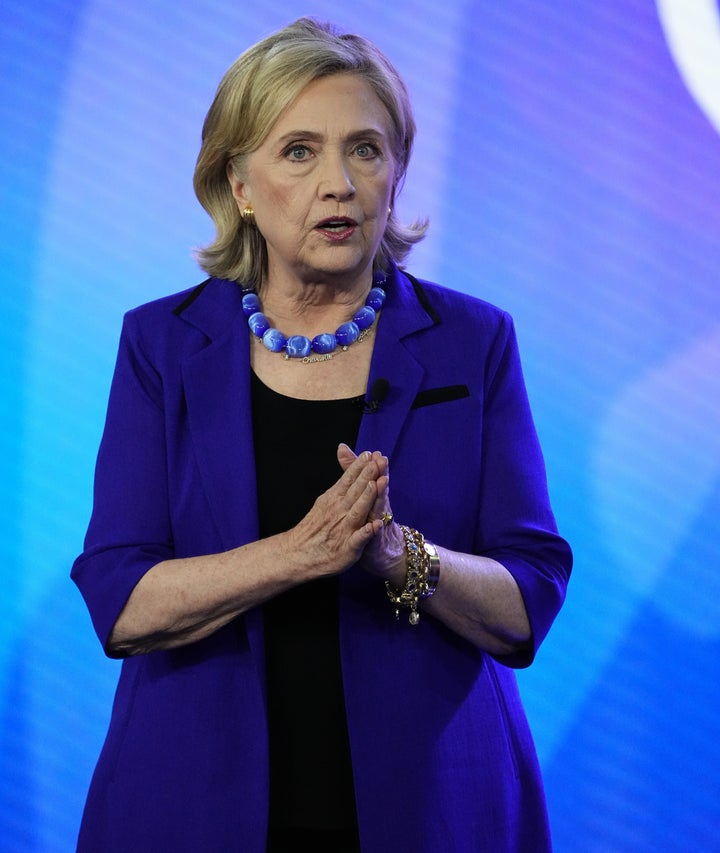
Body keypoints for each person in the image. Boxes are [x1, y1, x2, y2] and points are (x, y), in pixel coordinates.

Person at [72, 17, 572, 853]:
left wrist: (400, 556)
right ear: (238, 184)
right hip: (192, 804)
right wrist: (300, 553)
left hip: (436, 807)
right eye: (298, 151)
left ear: (395, 171)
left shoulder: (472, 341)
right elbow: (120, 601)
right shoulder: (161, 345)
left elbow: (528, 600)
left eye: (365, 150)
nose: (337, 182)